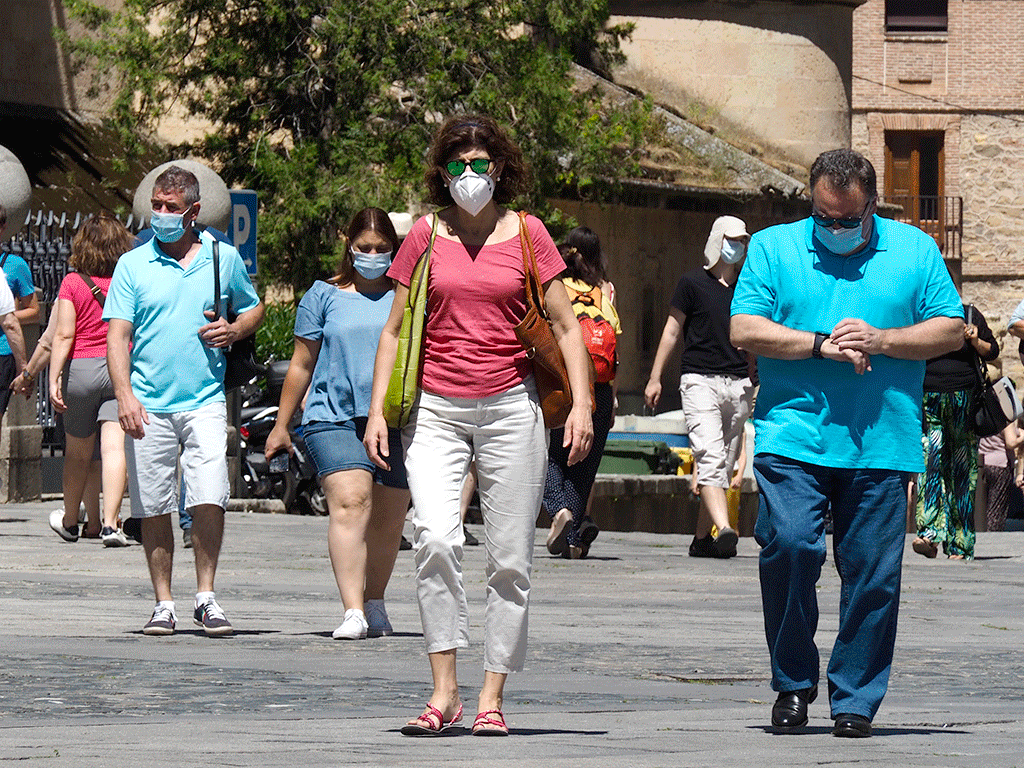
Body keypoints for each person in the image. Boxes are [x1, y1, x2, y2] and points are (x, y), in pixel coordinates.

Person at [363, 114, 593, 736]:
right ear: (443, 174)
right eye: (459, 164)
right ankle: (444, 692)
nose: (471, 174)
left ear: (500, 169)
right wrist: (379, 411)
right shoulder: (425, 237)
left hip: (513, 407)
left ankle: (491, 694)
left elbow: (567, 326)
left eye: (481, 163)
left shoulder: (528, 234)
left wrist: (582, 405)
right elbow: (393, 331)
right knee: (435, 538)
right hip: (435, 407)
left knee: (510, 558)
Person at [731, 148, 963, 738]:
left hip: (882, 439)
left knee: (873, 576)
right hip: (791, 434)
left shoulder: (914, 251)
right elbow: (744, 327)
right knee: (788, 546)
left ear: (872, 207)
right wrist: (816, 345)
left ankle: (856, 697)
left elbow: (951, 328)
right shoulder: (773, 248)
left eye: (847, 220)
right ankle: (792, 682)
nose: (834, 229)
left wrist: (883, 339)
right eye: (824, 217)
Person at [104, 165, 264, 636]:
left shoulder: (221, 256)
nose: (161, 215)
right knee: (152, 505)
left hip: (206, 399)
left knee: (209, 495)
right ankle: (163, 603)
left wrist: (235, 329)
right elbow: (118, 336)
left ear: (193, 212)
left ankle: (206, 598)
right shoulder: (132, 263)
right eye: (156, 205)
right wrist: (124, 396)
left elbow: (254, 306)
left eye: (171, 208)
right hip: (148, 404)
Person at [265, 207, 411, 640]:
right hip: (332, 415)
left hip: (395, 419)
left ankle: (376, 600)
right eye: (364, 248)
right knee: (352, 502)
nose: (372, 255)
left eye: (382, 249)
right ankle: (352, 611)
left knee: (389, 517)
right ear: (348, 245)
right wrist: (281, 424)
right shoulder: (321, 295)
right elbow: (301, 363)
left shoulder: (407, 296)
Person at [645, 215, 753, 559]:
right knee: (709, 455)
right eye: (734, 239)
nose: (740, 246)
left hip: (739, 385)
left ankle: (702, 540)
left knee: (723, 462)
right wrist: (655, 376)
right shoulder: (691, 283)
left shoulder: (748, 288)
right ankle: (724, 528)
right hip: (699, 381)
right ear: (717, 240)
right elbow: (672, 331)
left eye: (744, 241)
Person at [46, 215, 132, 547]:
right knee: (114, 449)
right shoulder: (127, 280)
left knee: (77, 452)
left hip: (80, 371)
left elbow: (64, 334)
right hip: (118, 367)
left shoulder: (72, 282)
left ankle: (70, 521)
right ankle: (111, 524)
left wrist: (54, 377)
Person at [545, 227, 621, 559]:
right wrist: (613, 398)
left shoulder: (553, 288)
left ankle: (559, 510)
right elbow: (615, 351)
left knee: (548, 458)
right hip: (599, 390)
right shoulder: (604, 292)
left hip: (561, 384)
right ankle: (575, 540)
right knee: (583, 466)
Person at [913, 303, 998, 560]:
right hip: (930, 399)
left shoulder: (970, 315)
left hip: (965, 400)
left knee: (961, 469)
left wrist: (974, 340)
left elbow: (992, 352)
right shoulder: (921, 316)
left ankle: (960, 544)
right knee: (931, 463)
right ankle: (929, 534)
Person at [0, 203, 39, 419]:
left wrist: (7, 316)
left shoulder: (14, 265)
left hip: (3, 351)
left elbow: (33, 311)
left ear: (3, 227)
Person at [979, 416, 1023, 533]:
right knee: (996, 509)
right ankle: (992, 538)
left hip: (981, 462)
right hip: (1000, 464)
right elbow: (1011, 442)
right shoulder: (1004, 416)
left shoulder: (982, 412)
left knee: (980, 508)